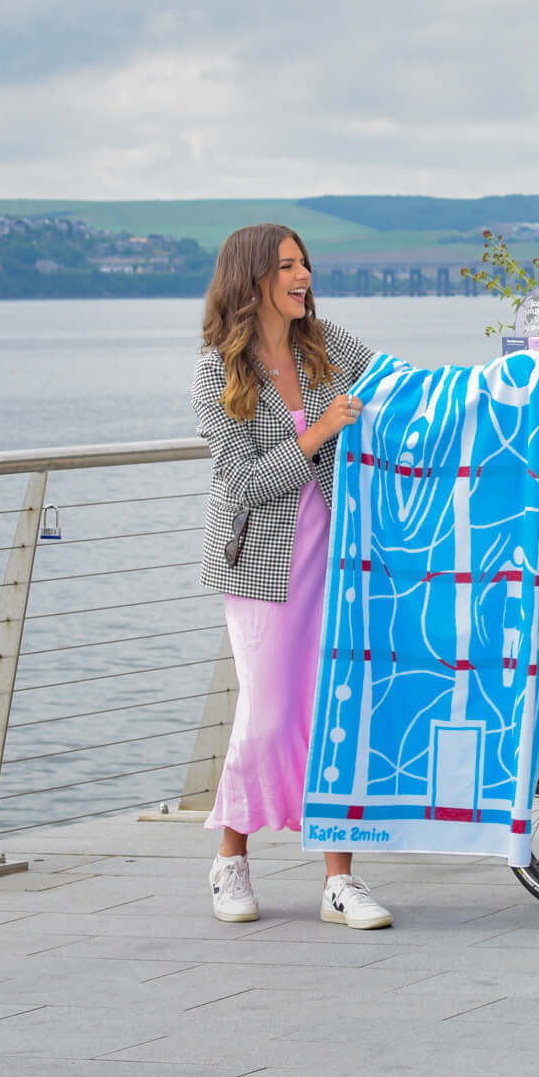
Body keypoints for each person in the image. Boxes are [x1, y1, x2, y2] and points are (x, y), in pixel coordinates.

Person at [195, 223, 393, 930]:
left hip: (338, 554)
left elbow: (398, 385)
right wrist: (318, 433)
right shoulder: (217, 370)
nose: (302, 275)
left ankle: (339, 880)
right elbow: (242, 483)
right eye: (286, 266)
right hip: (261, 567)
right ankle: (230, 860)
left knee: (333, 709)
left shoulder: (327, 343)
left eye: (304, 263)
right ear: (253, 280)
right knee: (270, 711)